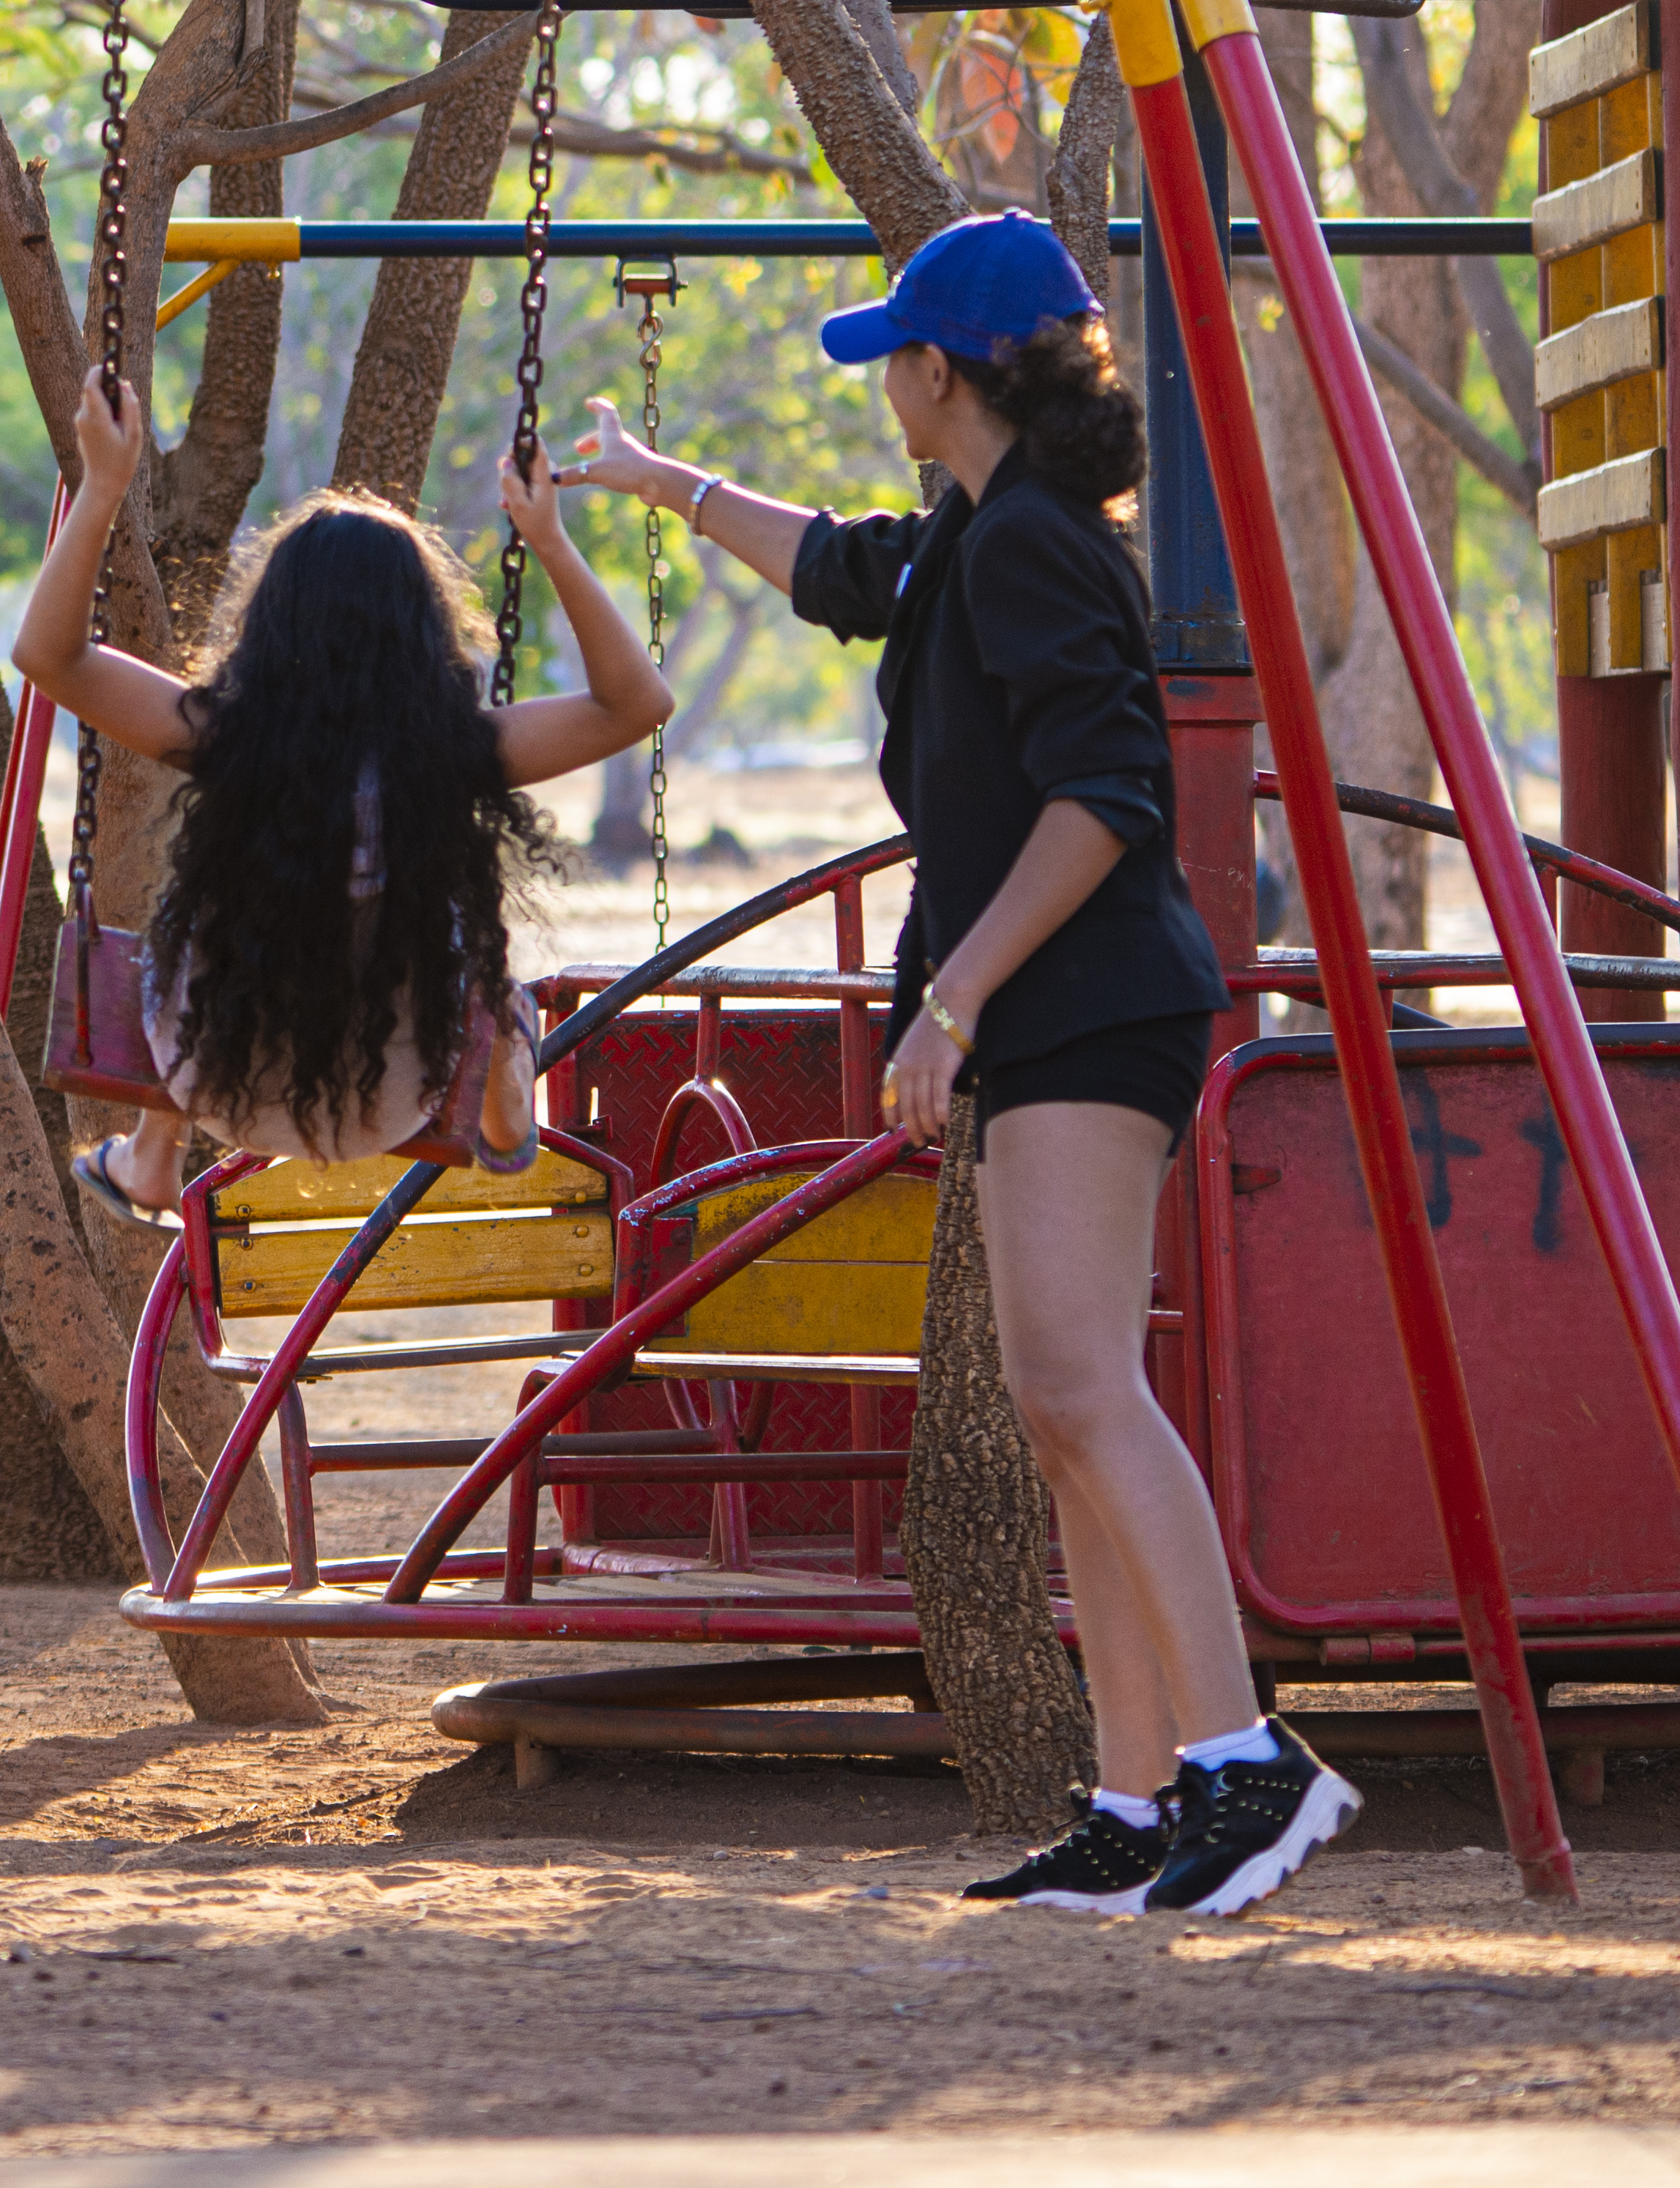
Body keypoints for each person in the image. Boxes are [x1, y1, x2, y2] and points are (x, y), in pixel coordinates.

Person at [575, 208, 1356, 1922]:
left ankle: (1247, 1762)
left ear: (945, 372)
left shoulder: (1024, 548)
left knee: (1083, 1389)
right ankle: (1136, 1798)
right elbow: (839, 567)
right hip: (1047, 1009)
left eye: (894, 364)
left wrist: (946, 1003)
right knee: (1059, 1400)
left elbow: (1104, 800)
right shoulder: (974, 530)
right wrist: (657, 481)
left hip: (1082, 999)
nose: (883, 390)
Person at [10, 373, 673, 1214]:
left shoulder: (229, 739)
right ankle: (507, 1114)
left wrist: (103, 485)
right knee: (480, 962)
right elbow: (638, 704)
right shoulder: (456, 753)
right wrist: (548, 541)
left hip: (218, 1091)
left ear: (273, 623)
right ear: (422, 627)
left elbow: (49, 656)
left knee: (196, 919)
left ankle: (151, 1156)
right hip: (397, 1100)